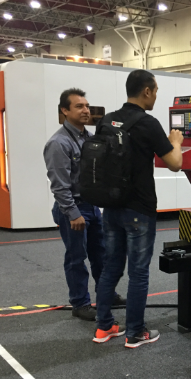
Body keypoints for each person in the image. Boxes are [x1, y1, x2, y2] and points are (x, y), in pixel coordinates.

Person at [93, 70, 184, 348]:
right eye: (155, 91)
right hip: (139, 209)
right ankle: (135, 332)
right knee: (138, 272)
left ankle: (104, 327)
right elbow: (175, 163)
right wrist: (176, 142)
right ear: (146, 91)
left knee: (111, 268)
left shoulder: (107, 120)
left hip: (111, 207)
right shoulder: (148, 123)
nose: (155, 96)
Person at [43, 88, 125, 321]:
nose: (85, 110)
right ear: (65, 110)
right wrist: (73, 213)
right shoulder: (58, 143)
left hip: (93, 207)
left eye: (87, 106)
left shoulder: (90, 139)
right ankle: (80, 303)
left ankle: (106, 294)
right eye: (79, 106)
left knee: (101, 255)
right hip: (74, 209)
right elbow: (59, 185)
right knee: (76, 258)